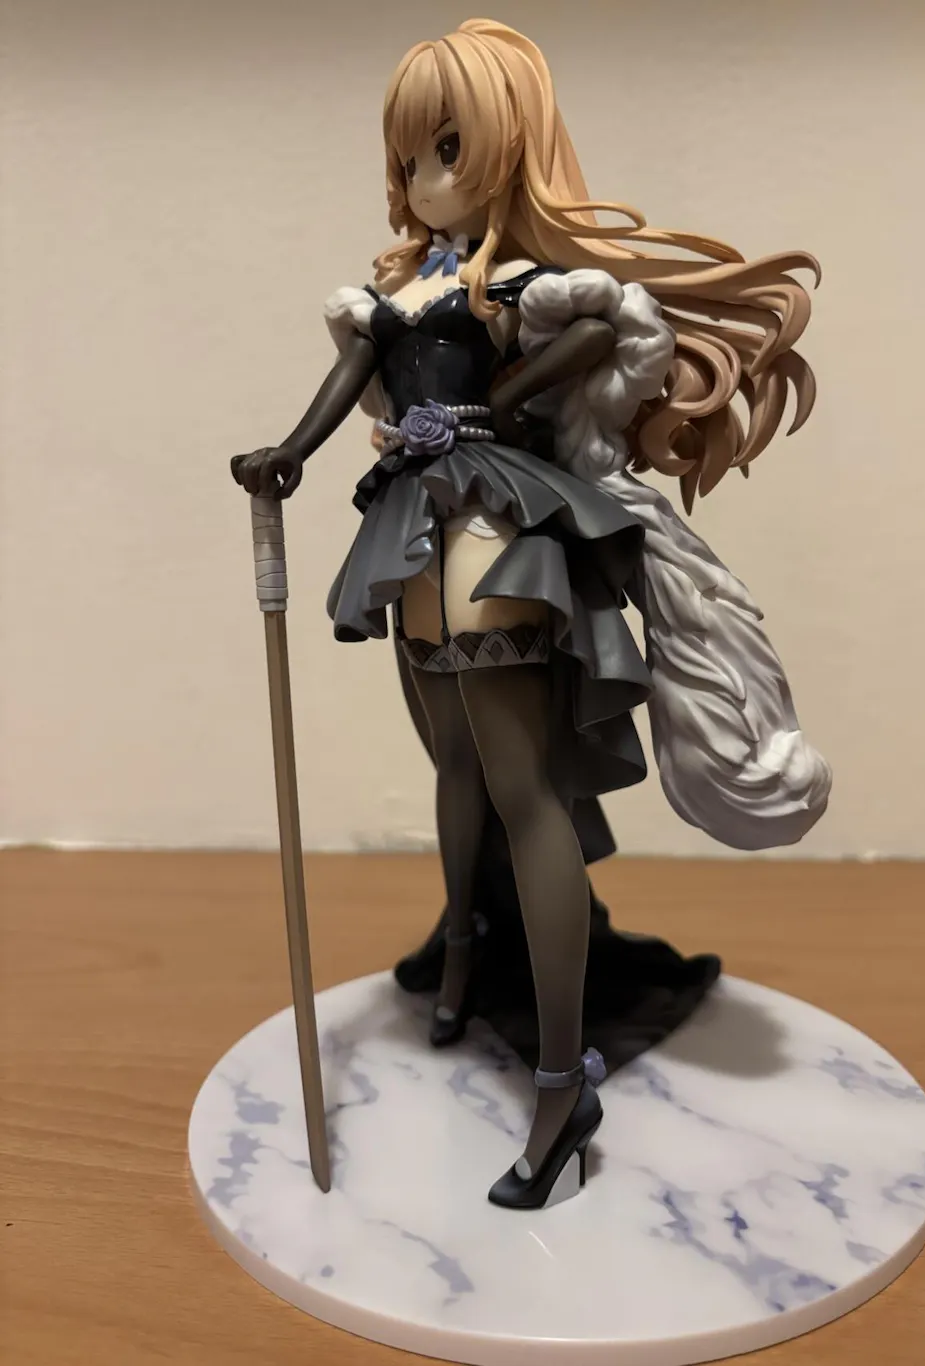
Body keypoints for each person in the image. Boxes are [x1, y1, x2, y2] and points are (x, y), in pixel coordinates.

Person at [231, 18, 829, 1209]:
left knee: (521, 790)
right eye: (409, 157)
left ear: (510, 146)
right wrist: (288, 452)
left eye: (447, 148)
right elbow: (350, 376)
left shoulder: (518, 286)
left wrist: (503, 404)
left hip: (489, 528)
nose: (423, 178)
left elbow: (607, 329)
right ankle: (463, 951)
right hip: (404, 528)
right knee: (453, 763)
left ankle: (561, 1088)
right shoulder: (400, 288)